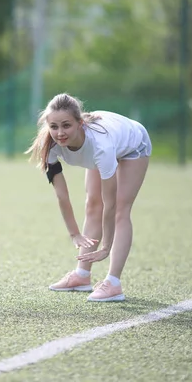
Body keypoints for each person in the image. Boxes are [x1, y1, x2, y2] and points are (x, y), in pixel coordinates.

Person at [25, 93, 152, 302]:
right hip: (105, 142)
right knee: (92, 205)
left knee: (120, 209)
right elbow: (62, 196)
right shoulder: (48, 145)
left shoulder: (101, 147)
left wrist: (106, 247)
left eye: (66, 125)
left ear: (80, 123)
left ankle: (113, 283)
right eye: (54, 126)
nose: (60, 133)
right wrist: (74, 233)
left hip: (133, 143)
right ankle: (82, 275)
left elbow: (110, 204)